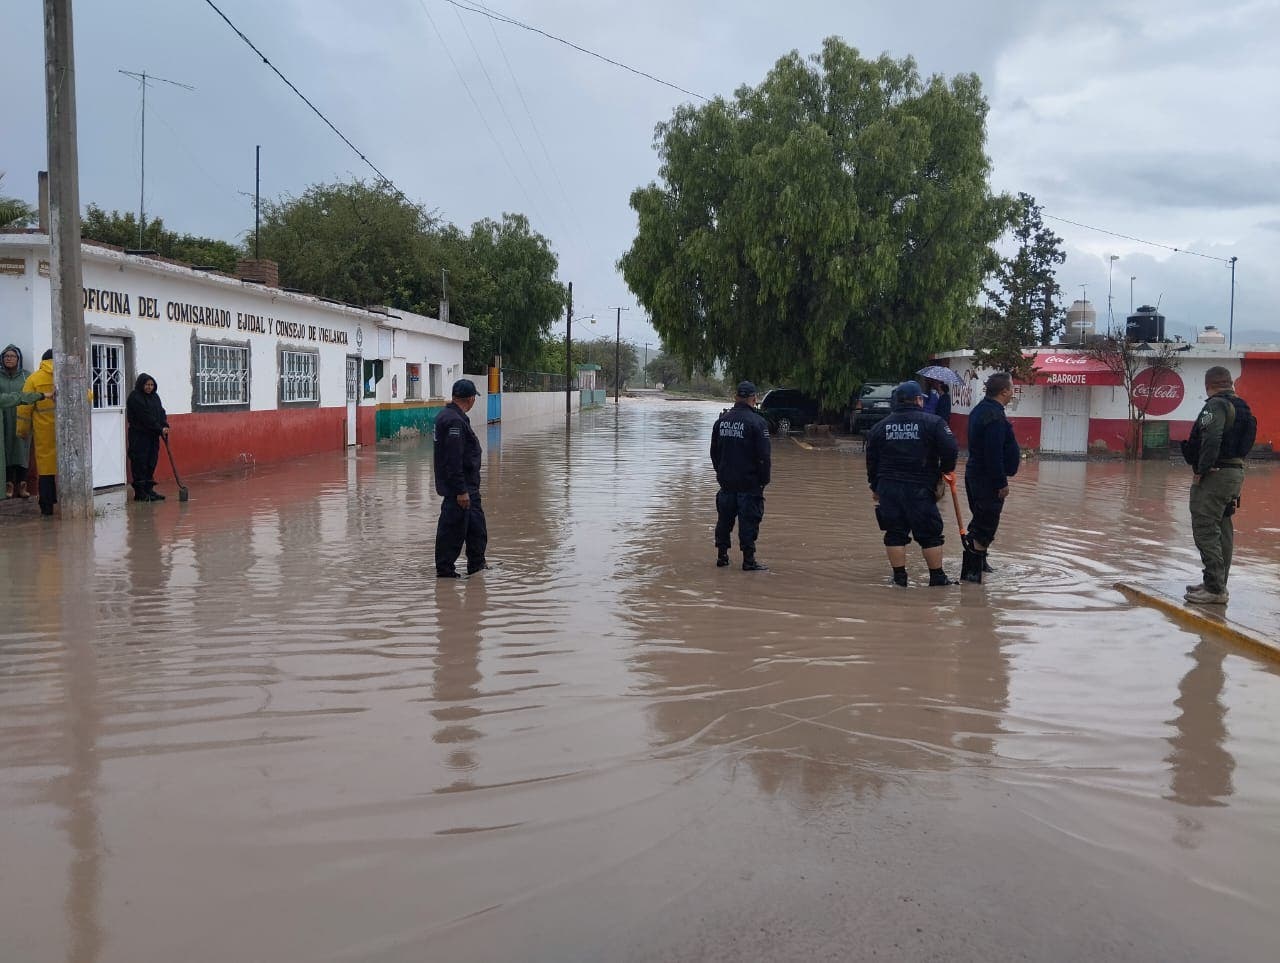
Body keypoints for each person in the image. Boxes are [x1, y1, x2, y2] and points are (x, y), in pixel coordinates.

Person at [866, 380, 960, 586]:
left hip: (888, 488)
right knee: (930, 534)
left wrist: (875, 486)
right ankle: (937, 578)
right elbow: (951, 448)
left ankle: (899, 579)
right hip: (921, 488)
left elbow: (871, 460)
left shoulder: (879, 427)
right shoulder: (934, 423)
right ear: (918, 400)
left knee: (894, 534)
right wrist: (945, 470)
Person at [1181, 366, 1252, 605]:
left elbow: (1212, 437)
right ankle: (1217, 583)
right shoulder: (1242, 406)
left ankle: (1215, 589)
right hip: (1235, 471)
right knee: (1222, 525)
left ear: (1208, 385)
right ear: (1230, 383)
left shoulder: (1216, 405)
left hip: (1216, 474)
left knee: (1204, 525)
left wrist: (1202, 469)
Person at [962, 372, 1020, 583]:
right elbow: (993, 452)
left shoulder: (981, 410)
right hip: (986, 479)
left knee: (980, 520)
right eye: (1012, 388)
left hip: (976, 475)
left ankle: (979, 565)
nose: (1013, 392)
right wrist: (1001, 483)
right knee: (985, 524)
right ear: (1004, 391)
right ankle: (972, 575)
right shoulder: (993, 416)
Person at [710, 380, 772, 571]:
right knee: (749, 522)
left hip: (727, 483)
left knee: (724, 521)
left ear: (736, 397)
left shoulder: (721, 422)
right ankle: (748, 560)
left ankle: (722, 556)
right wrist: (763, 481)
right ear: (754, 399)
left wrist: (721, 473)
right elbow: (764, 457)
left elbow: (714, 453)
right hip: (749, 483)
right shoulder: (758, 423)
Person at [434, 378, 488, 579]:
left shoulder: (452, 416)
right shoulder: (454, 421)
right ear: (471, 398)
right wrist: (461, 490)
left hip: (469, 488)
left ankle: (477, 567)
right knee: (451, 531)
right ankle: (445, 574)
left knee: (477, 530)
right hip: (460, 490)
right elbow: (453, 459)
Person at [16, 349, 59, 516]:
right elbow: (88, 396)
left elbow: (24, 408)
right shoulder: (68, 375)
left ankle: (47, 507)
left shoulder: (33, 379)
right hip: (67, 432)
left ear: (43, 361)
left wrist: (22, 431)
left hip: (44, 432)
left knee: (46, 470)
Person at [126, 372, 170, 502]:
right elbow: (145, 417)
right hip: (139, 436)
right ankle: (140, 492)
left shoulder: (155, 397)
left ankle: (149, 490)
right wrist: (159, 428)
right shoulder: (135, 397)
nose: (149, 387)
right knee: (140, 462)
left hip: (153, 435)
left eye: (151, 385)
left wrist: (165, 425)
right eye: (147, 384)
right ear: (141, 384)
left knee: (151, 461)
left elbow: (161, 412)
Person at [1, 345, 35, 498]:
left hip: (22, 418)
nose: (9, 358)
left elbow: (32, 395)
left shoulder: (26, 376)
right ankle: (8, 485)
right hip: (3, 420)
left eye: (12, 356)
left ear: (18, 359)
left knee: (22, 450)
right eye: (6, 356)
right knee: (6, 450)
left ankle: (22, 484)